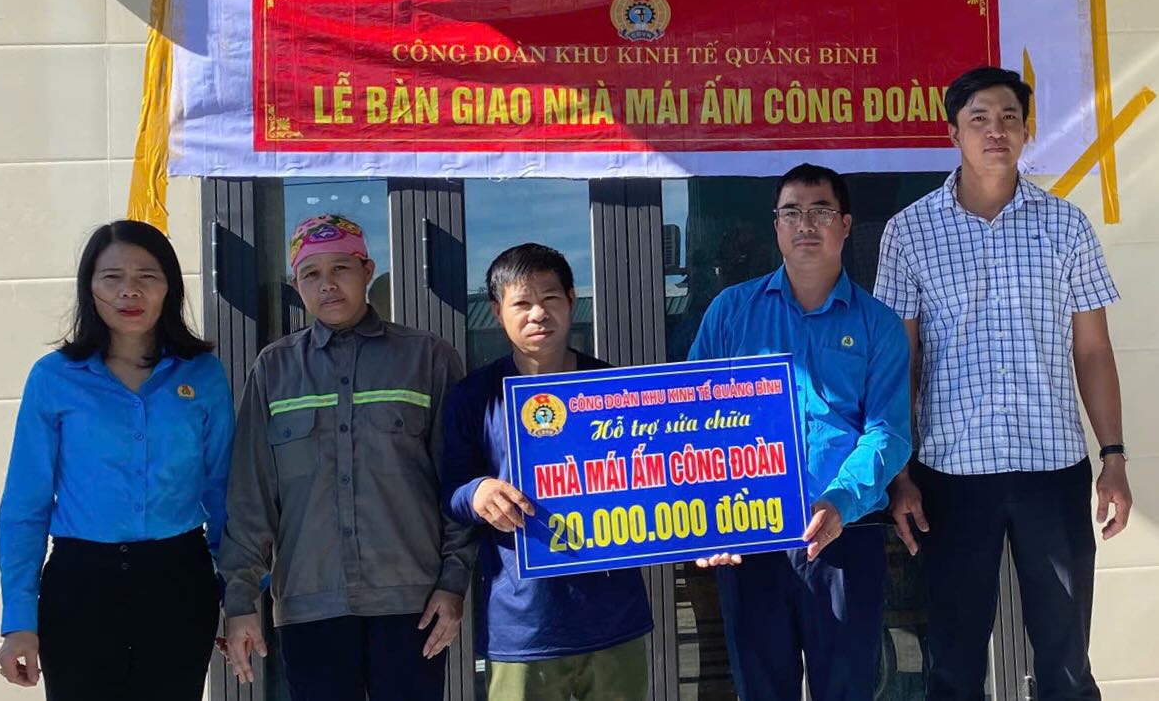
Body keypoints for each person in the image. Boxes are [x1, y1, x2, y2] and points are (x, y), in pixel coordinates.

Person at [874, 66, 1132, 700]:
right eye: (979, 119)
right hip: (951, 476)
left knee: (1066, 660)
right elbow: (899, 362)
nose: (996, 131)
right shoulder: (909, 231)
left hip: (1053, 469)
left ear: (1026, 130)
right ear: (953, 133)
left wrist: (1113, 458)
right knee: (954, 660)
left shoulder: (1066, 226)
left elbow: (1093, 350)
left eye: (1009, 118)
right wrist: (900, 474)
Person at [220, 214, 475, 701]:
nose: (328, 285)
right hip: (308, 606)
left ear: (367, 270)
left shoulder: (427, 358)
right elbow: (251, 496)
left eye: (341, 268)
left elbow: (457, 482)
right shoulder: (274, 369)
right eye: (311, 274)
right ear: (296, 285)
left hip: (412, 602)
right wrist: (240, 598)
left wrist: (453, 581)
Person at [692, 164, 911, 701]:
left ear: (845, 225)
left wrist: (839, 501)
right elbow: (691, 420)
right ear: (776, 226)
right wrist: (708, 518)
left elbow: (888, 432)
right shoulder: (730, 313)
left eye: (820, 211)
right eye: (791, 212)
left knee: (847, 689)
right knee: (762, 689)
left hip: (845, 533)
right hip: (749, 536)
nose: (805, 223)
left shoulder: (878, 323)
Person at [0, 220, 234, 701]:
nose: (130, 291)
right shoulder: (54, 378)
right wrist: (19, 619)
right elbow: (26, 504)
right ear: (90, 287)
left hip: (179, 581)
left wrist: (238, 595)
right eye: (112, 277)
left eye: (147, 276)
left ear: (169, 287)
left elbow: (227, 493)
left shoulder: (203, 375)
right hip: (80, 585)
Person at [442, 243, 653, 701]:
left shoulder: (614, 389)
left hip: (614, 616)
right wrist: (478, 493)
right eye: (522, 303)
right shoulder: (475, 397)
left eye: (550, 298)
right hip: (523, 623)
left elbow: (658, 480)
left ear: (572, 300)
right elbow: (452, 489)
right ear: (497, 311)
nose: (538, 313)